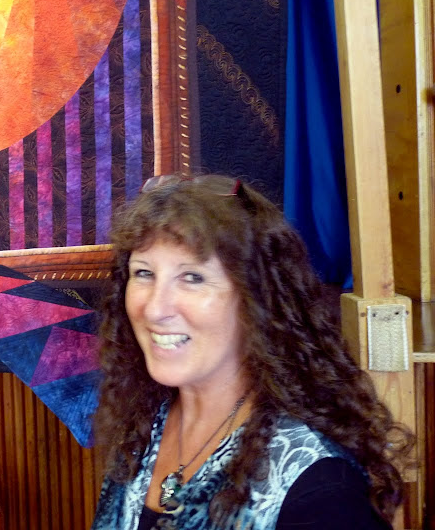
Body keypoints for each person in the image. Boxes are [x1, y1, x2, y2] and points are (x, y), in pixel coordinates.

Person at [91, 174, 413, 530]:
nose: (154, 309)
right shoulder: (145, 422)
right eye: (143, 273)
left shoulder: (319, 489)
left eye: (193, 278)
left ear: (257, 300)